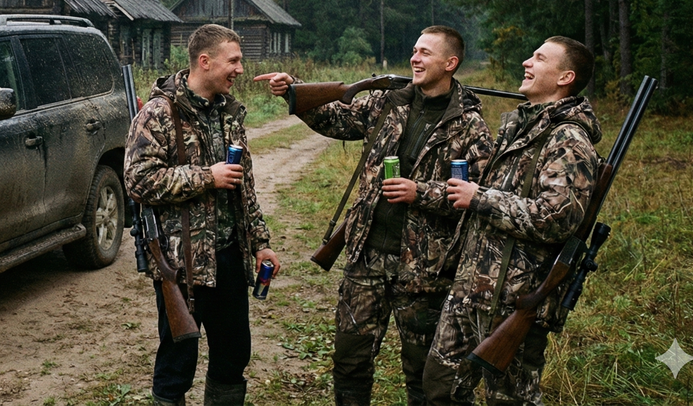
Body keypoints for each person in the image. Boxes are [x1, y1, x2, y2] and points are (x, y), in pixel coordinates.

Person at [256, 26, 494, 406]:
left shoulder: (471, 126)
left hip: (424, 270)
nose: (415, 58)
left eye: (426, 53)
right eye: (414, 50)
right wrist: (295, 90)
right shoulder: (389, 103)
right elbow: (335, 119)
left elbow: (478, 196)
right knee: (350, 362)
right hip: (366, 257)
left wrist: (422, 193)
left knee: (422, 373)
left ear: (451, 63)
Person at [422, 36, 601, 406]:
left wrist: (480, 198)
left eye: (539, 58)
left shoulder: (568, 139)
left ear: (565, 76)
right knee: (439, 387)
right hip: (470, 290)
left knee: (509, 400)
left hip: (513, 300)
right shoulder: (520, 126)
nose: (526, 62)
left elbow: (556, 218)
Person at [125, 24, 280, 406]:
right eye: (234, 61)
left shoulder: (228, 114)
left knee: (232, 357)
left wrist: (260, 245)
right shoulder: (159, 114)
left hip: (229, 256)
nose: (240, 69)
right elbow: (138, 181)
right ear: (205, 61)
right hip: (181, 265)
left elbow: (246, 188)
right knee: (177, 365)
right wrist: (206, 177)